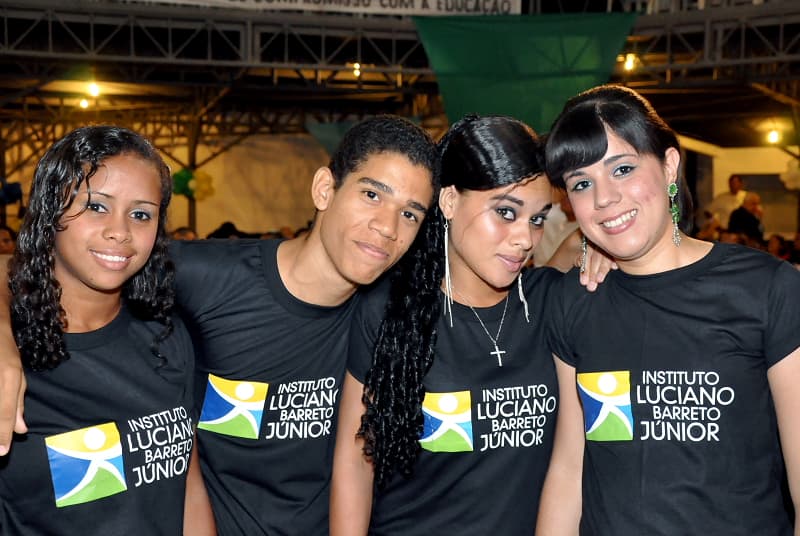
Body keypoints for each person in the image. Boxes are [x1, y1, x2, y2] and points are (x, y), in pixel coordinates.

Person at [536, 85, 800, 535]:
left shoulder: (765, 289)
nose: (603, 198)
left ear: (669, 165)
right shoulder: (575, 300)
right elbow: (569, 469)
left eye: (622, 169)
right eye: (582, 183)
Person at [330, 115, 560, 534]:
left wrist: (596, 247)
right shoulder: (390, 310)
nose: (525, 239)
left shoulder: (550, 303)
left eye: (537, 219)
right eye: (505, 212)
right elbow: (356, 462)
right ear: (450, 201)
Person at [0, 126, 202, 533]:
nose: (120, 231)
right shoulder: (12, 363)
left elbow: (190, 490)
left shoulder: (166, 336)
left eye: (141, 214)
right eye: (96, 206)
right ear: (50, 211)